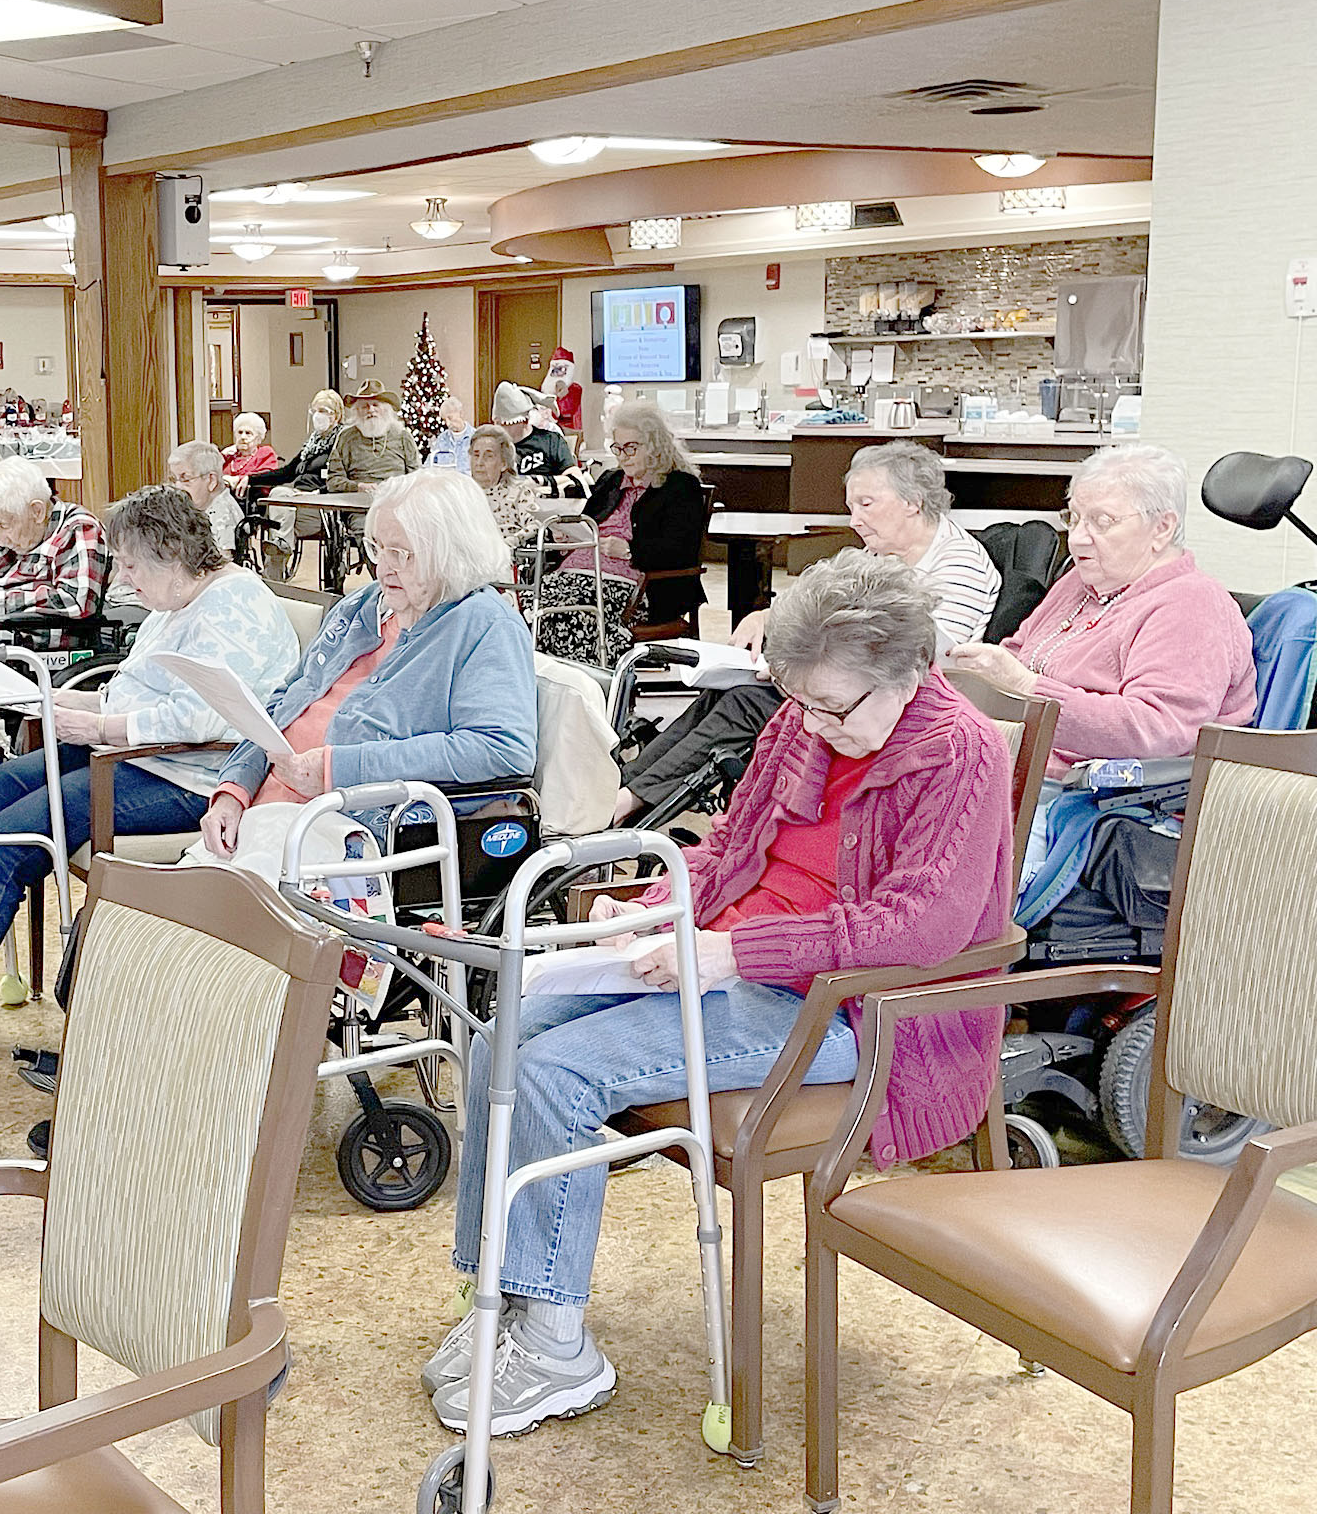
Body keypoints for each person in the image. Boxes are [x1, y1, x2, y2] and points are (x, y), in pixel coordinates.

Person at [429, 549, 1015, 1437]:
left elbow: (920, 929)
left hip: (855, 1008)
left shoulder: (957, 752)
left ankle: (556, 1348)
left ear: (911, 671)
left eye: (836, 708)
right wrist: (657, 906)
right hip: (737, 959)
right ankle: (503, 1298)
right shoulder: (802, 722)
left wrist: (734, 953)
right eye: (802, 702)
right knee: (502, 1031)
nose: (814, 727)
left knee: (553, 1074)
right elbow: (728, 849)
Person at [0, 487, 302, 1070]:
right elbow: (131, 690)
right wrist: (51, 701)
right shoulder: (175, 607)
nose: (127, 581)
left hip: (188, 775)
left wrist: (101, 725)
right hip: (129, 750)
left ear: (170, 554)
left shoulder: (234, 605)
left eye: (134, 566)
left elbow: (205, 719)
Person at [617, 440, 1003, 822]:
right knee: (724, 691)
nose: (854, 520)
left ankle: (629, 803)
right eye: (852, 507)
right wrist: (768, 615)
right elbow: (816, 604)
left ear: (912, 501)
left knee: (748, 701)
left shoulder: (958, 564)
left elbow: (925, 658)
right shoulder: (880, 555)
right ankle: (625, 789)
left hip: (891, 700)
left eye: (866, 505)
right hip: (852, 680)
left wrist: (799, 674)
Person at [198, 466, 536, 858]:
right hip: (266, 810)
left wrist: (338, 768)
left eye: (402, 554)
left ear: (451, 553)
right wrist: (234, 789)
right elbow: (284, 702)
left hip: (352, 829)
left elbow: (501, 748)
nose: (383, 567)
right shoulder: (362, 605)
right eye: (377, 548)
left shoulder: (485, 625)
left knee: (208, 904)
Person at [947, 441, 1256, 770]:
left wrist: (1027, 689)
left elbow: (1158, 731)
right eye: (1075, 518)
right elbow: (1017, 654)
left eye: (1102, 521)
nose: (1078, 538)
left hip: (1092, 799)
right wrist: (975, 673)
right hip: (1008, 763)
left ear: (1162, 528)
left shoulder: (1190, 605)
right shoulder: (1080, 581)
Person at [529, 401, 708, 665]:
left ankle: (592, 684)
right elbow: (586, 524)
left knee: (572, 611)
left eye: (631, 448)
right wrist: (566, 538)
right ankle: (551, 683)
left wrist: (628, 550)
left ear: (655, 446)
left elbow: (681, 549)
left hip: (637, 585)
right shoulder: (611, 480)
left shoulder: (680, 487)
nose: (623, 456)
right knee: (533, 605)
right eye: (618, 448)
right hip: (578, 574)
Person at [0, 457, 109, 635]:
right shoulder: (2, 524)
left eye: (4, 526)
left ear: (37, 511)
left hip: (30, 650)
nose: (0, 540)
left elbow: (75, 601)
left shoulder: (78, 529)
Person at [244, 389, 344, 550]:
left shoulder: (342, 442)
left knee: (279, 517)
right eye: (315, 410)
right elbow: (287, 473)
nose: (318, 415)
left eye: (324, 411)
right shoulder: (312, 444)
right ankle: (279, 551)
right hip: (297, 499)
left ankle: (281, 545)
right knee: (278, 494)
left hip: (321, 503)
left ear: (337, 416)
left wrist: (317, 493)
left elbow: (343, 479)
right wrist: (249, 479)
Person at [324, 380, 421, 497]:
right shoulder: (346, 438)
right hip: (358, 504)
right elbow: (333, 481)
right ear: (357, 411)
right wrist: (358, 487)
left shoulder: (402, 436)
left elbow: (417, 478)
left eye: (375, 405)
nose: (371, 410)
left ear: (386, 409)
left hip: (396, 501)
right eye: (365, 406)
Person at [465, 425, 545, 550]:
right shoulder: (461, 494)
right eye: (476, 455)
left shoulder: (518, 493)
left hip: (505, 560)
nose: (479, 462)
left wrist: (511, 542)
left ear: (503, 464)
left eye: (488, 456)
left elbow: (536, 524)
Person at [492, 380, 578, 490]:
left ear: (524, 420)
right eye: (497, 423)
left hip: (545, 501)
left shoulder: (551, 441)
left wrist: (540, 481)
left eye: (506, 424)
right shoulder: (492, 446)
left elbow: (575, 476)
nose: (501, 429)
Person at [169, 439, 243, 552]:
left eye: (186, 479)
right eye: (174, 479)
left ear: (211, 480)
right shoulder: (203, 508)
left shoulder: (222, 513)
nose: (178, 486)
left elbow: (223, 562)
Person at [222, 412, 280, 480]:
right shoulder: (229, 456)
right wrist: (222, 456)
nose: (243, 437)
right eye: (240, 432)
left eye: (248, 433)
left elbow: (266, 477)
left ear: (258, 437)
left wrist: (238, 479)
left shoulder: (265, 453)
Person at [543, 346, 584, 435]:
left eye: (561, 370)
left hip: (568, 432)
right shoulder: (546, 391)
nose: (557, 374)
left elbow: (564, 412)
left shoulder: (575, 389)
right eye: (555, 370)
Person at [427, 395, 474, 470]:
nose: (448, 424)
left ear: (461, 413)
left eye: (450, 418)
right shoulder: (442, 439)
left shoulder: (475, 437)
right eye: (445, 420)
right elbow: (429, 465)